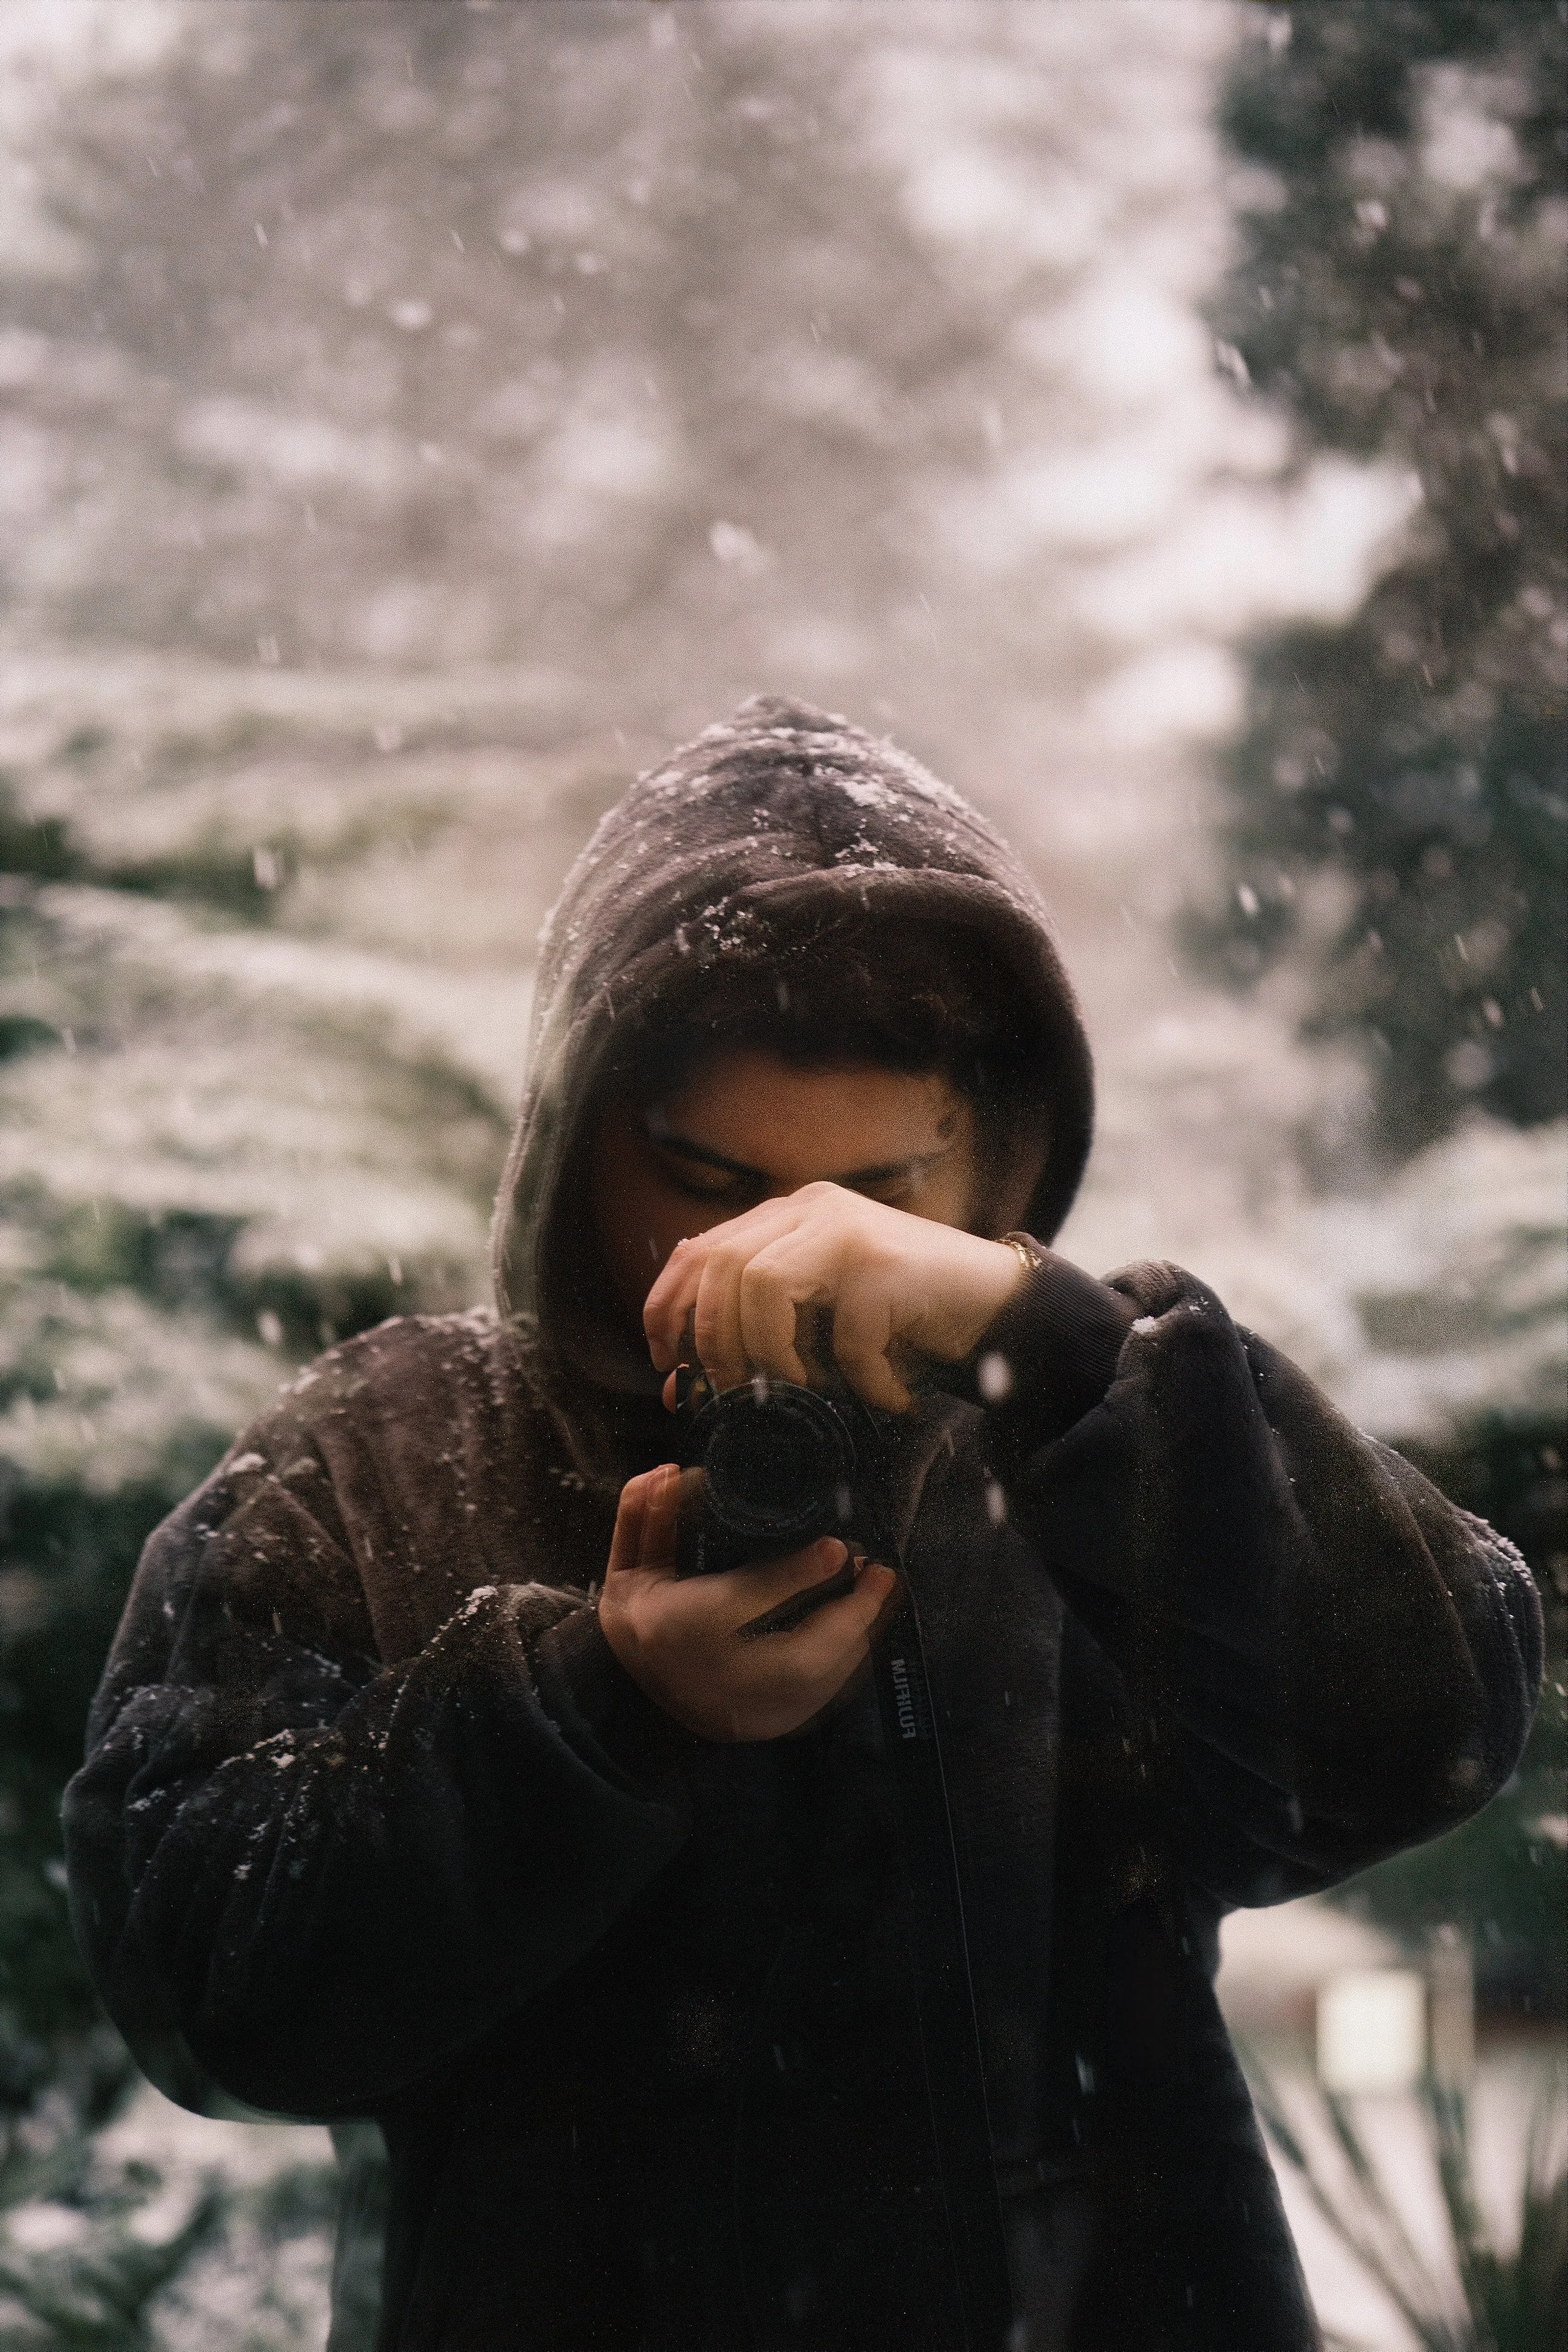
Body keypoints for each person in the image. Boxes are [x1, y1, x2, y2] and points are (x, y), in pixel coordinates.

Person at [63, 696, 1542, 2352]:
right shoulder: (392, 1448)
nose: (780, 1248)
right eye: (706, 1177)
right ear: (579, 1152)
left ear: (1000, 1175)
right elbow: (198, 1971)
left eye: (874, 1194)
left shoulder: (1101, 1441)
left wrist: (1049, 1354)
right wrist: (581, 1717)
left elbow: (1432, 1719)